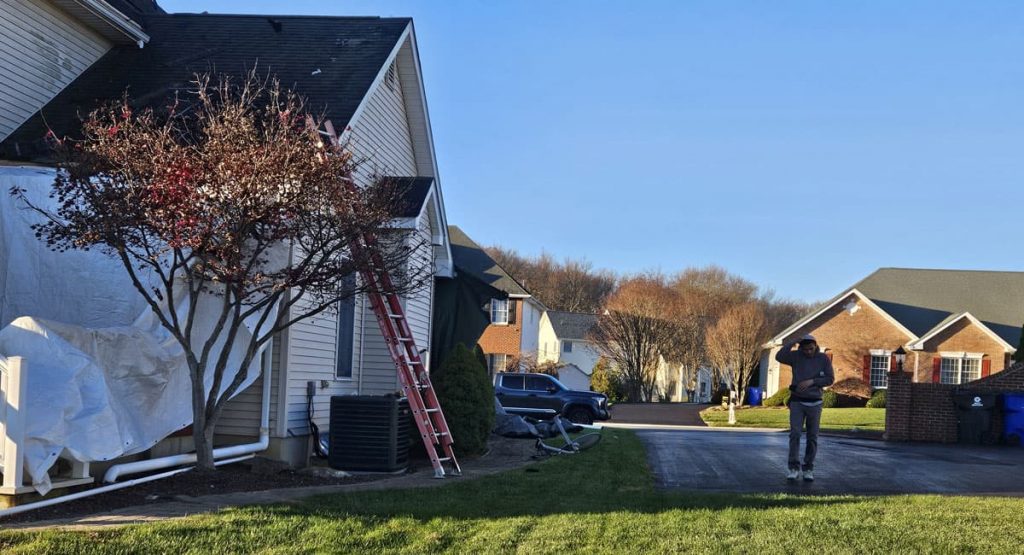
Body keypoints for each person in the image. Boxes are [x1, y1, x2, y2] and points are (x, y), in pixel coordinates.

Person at [775, 334, 834, 482]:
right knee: (795, 434)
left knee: (812, 437)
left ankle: (808, 468)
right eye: (806, 349)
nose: (809, 352)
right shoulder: (796, 357)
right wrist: (792, 342)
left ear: (816, 346)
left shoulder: (823, 359)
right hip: (797, 402)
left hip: (815, 402)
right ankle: (793, 468)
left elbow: (830, 379)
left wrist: (812, 381)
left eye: (811, 349)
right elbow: (779, 356)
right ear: (801, 348)